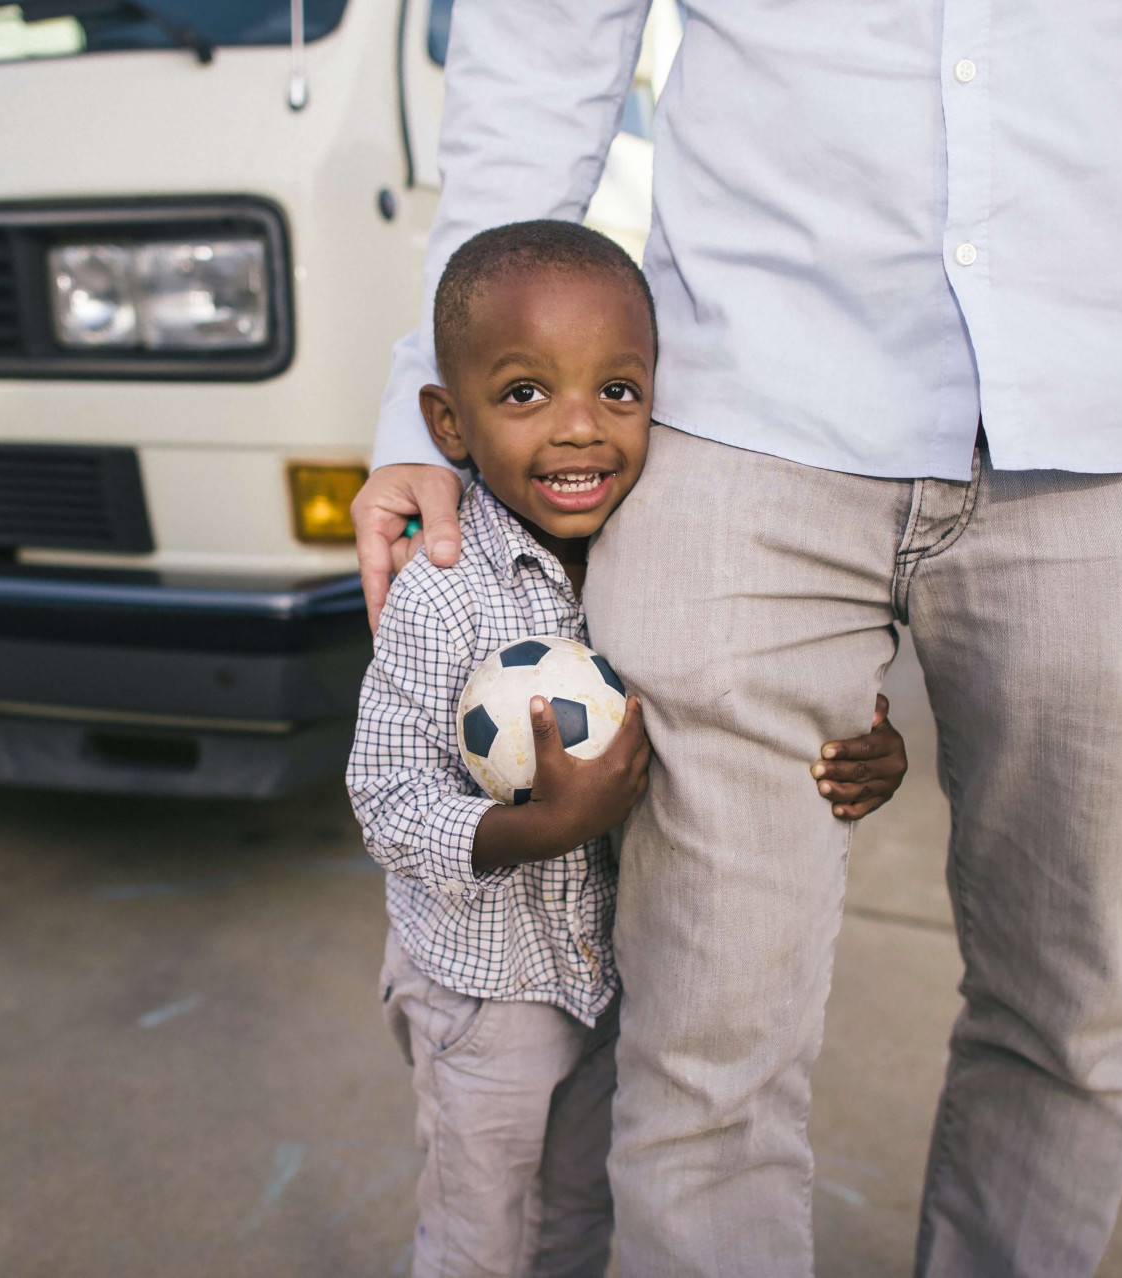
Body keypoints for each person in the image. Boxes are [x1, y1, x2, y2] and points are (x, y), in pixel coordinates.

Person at [352, 3, 1122, 1274]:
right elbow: (543, 32)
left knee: (1070, 1017)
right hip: (746, 405)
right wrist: (422, 406)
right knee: (705, 1039)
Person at [347, 220, 910, 1277]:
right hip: (487, 993)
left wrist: (881, 753)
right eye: (524, 394)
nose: (579, 432)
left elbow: (746, 704)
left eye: (618, 392)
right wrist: (540, 827)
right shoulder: (440, 585)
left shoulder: (662, 561)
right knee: (478, 1236)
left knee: (579, 1219)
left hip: (613, 982)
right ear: (448, 422)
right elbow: (384, 796)